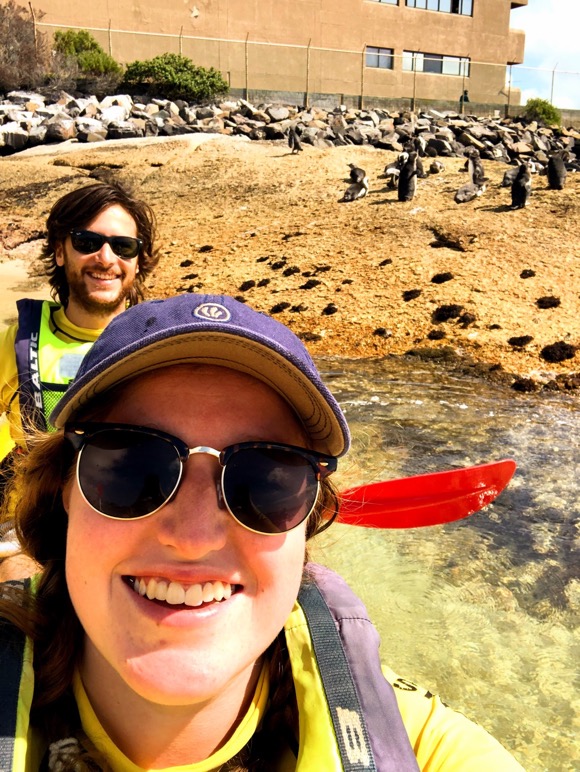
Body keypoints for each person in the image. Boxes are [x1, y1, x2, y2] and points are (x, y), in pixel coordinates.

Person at [0, 293, 525, 771]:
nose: (194, 536)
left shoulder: (425, 748)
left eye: (265, 482)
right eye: (132, 467)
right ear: (63, 492)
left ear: (306, 523)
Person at [0, 181, 159, 573]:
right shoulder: (15, 340)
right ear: (59, 251)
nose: (105, 258)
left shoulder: (159, 346)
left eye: (123, 247)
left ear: (138, 261)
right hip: (30, 533)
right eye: (87, 242)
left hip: (126, 524)